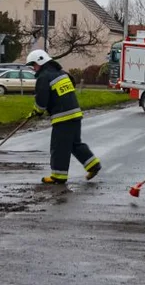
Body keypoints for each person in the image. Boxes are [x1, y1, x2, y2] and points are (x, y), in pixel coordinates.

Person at [27, 49, 101, 185]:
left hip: (62, 117)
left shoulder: (44, 77)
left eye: (34, 65)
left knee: (59, 146)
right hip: (75, 114)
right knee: (74, 144)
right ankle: (93, 165)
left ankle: (58, 176)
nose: (34, 68)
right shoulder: (62, 73)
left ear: (40, 62)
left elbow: (42, 100)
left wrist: (36, 111)